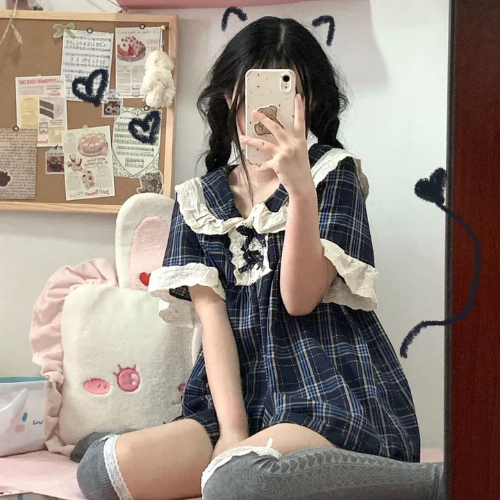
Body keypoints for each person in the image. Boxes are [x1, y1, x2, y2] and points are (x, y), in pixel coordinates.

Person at [75, 16, 444, 500]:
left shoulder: (334, 175)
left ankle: (440, 484)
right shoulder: (197, 200)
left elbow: (299, 299)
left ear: (310, 102)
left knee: (238, 482)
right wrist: (231, 432)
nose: (271, 109)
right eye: (256, 90)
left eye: (291, 92)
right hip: (234, 399)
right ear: (230, 95)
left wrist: (301, 190)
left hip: (323, 389)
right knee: (102, 472)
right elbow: (213, 320)